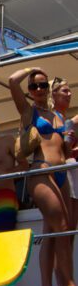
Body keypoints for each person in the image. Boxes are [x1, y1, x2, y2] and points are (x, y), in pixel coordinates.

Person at [9, 67, 75, 286]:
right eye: (33, 86)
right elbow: (11, 81)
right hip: (41, 171)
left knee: (52, 231)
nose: (38, 89)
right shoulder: (29, 112)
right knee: (63, 228)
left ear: (48, 88)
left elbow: (65, 148)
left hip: (61, 173)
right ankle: (68, 284)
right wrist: (32, 69)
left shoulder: (57, 115)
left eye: (42, 85)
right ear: (29, 90)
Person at [50, 77, 78, 246]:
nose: (69, 94)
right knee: (65, 228)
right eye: (64, 91)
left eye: (70, 91)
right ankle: (62, 271)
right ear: (53, 94)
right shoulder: (55, 118)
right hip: (62, 172)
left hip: (70, 172)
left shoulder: (65, 119)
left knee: (71, 228)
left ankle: (66, 271)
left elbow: (67, 150)